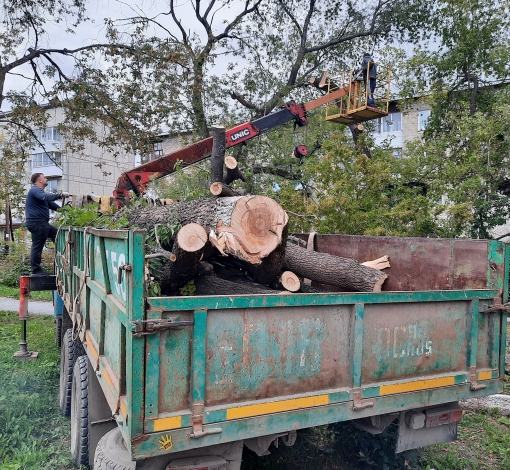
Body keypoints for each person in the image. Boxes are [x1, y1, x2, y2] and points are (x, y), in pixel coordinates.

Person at [25, 173, 68, 275]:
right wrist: (59, 195)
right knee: (37, 246)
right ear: (39, 180)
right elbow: (45, 197)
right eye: (44, 177)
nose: (46, 179)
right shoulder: (35, 190)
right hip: (37, 223)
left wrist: (66, 210)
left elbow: (52, 205)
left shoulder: (40, 195)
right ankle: (36, 270)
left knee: (57, 235)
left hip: (41, 223)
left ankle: (61, 257)